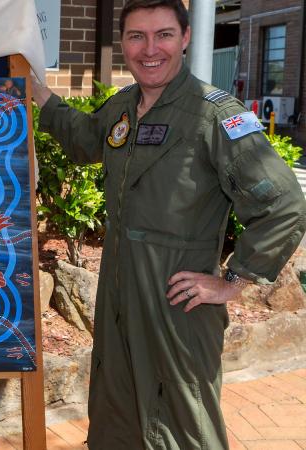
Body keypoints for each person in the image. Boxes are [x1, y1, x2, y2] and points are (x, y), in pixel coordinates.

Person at [32, 0, 306, 448]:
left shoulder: (214, 116)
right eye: (136, 36)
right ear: (123, 44)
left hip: (177, 309)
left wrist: (232, 280)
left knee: (179, 425)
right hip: (120, 299)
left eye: (163, 35)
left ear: (185, 39)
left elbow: (285, 204)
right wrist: (41, 94)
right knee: (117, 416)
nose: (149, 49)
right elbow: (85, 139)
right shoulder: (123, 107)